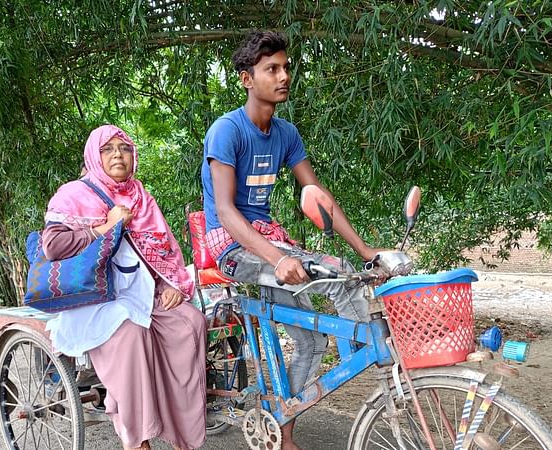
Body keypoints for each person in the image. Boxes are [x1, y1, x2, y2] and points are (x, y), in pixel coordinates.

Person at [201, 31, 385, 449]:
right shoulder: (226, 131)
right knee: (330, 276)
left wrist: (366, 251)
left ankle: (283, 431)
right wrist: (278, 259)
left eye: (286, 67)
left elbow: (320, 199)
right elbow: (228, 214)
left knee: (315, 328)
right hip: (232, 248)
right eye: (272, 69)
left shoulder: (285, 133)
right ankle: (367, 349)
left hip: (269, 244)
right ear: (248, 78)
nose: (284, 76)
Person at [42, 125, 206, 450]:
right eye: (108, 148)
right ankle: (137, 438)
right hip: (96, 296)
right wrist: (106, 225)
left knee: (190, 324)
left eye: (125, 148)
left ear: (134, 157)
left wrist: (170, 281)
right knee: (133, 334)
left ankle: (181, 433)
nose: (118, 154)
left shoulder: (140, 196)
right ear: (94, 156)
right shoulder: (75, 194)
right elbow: (53, 246)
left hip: (142, 290)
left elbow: (163, 246)